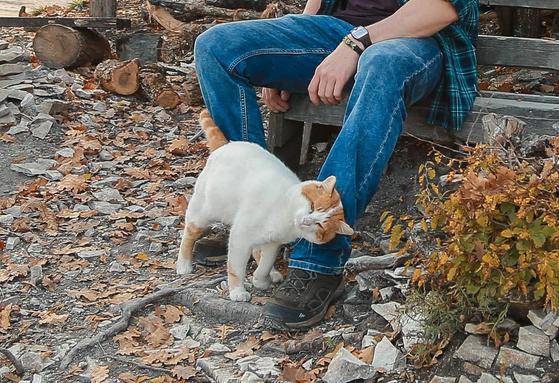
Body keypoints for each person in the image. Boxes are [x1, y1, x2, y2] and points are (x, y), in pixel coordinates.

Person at [194, 0, 479, 329]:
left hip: (417, 41)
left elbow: (439, 10)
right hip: (338, 34)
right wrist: (277, 61)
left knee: (380, 64)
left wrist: (356, 43)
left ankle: (318, 260)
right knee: (216, 46)